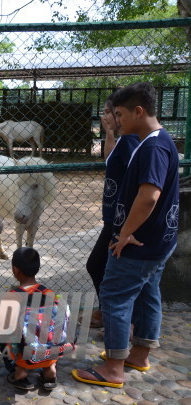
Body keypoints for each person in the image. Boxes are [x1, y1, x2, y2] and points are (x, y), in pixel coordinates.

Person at [72, 82, 179, 388]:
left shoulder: (153, 146)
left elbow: (149, 196)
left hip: (140, 242)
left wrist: (124, 234)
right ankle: (140, 355)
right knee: (148, 293)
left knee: (115, 297)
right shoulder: (155, 140)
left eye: (119, 114)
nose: (116, 120)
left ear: (138, 111)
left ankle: (113, 368)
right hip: (159, 241)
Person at [85, 92, 140, 328]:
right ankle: (109, 312)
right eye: (107, 112)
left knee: (97, 265)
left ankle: (115, 317)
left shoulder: (131, 141)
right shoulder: (122, 140)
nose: (105, 116)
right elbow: (110, 159)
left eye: (111, 113)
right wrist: (108, 133)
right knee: (104, 266)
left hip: (121, 221)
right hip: (113, 218)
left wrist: (127, 226)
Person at [5, 247, 72, 391]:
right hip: (51, 352)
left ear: (15, 270)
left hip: (26, 356)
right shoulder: (50, 293)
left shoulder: (11, 297)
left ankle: (20, 373)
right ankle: (50, 372)